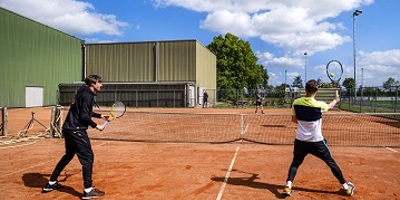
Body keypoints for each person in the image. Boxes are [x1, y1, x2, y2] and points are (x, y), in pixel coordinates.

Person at [283, 79, 355, 197]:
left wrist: (304, 124)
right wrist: (336, 100)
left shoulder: (296, 102)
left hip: (300, 141)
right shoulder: (319, 105)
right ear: (317, 91)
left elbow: (294, 120)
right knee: (331, 162)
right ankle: (346, 188)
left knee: (295, 163)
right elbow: (330, 107)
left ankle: (288, 186)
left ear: (305, 90)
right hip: (316, 142)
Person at [42, 75, 108, 199]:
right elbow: (83, 116)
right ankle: (88, 191)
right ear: (93, 84)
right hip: (76, 130)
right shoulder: (87, 95)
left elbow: (83, 111)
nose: (101, 85)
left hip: (68, 129)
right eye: (100, 83)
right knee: (88, 157)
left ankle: (51, 183)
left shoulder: (82, 93)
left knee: (68, 155)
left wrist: (100, 116)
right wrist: (96, 126)